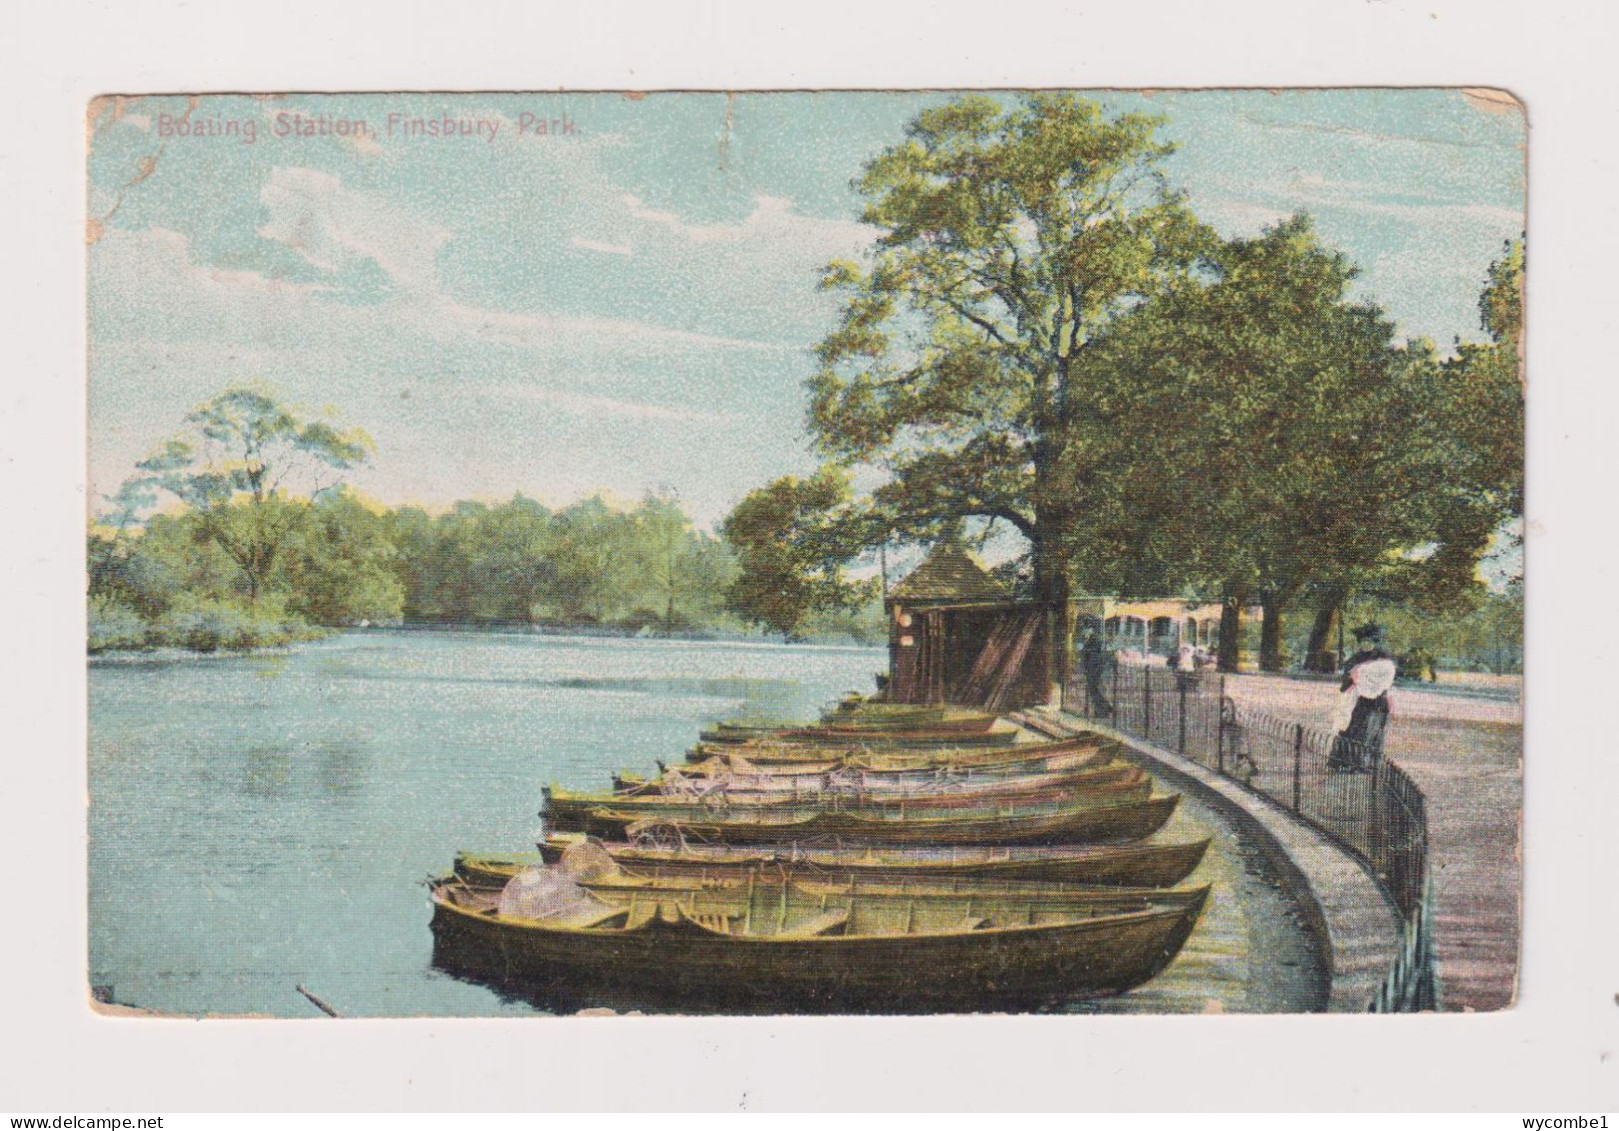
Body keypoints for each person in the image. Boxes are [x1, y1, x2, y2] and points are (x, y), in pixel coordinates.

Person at [1329, 623, 1397, 773]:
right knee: (1355, 730)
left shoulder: (1384, 659)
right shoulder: (1357, 658)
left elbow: (1389, 684)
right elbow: (1348, 679)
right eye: (1363, 641)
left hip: (1379, 702)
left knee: (1372, 732)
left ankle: (1366, 764)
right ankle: (1346, 763)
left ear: (1376, 642)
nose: (1366, 644)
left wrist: (1391, 702)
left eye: (1370, 641)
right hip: (1361, 701)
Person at [1080, 629, 1112, 718]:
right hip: (1096, 670)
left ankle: (1104, 709)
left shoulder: (1090, 645)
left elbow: (1086, 658)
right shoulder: (1095, 644)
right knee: (1095, 692)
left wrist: (1087, 669)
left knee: (1094, 692)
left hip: (1092, 671)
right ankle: (1103, 710)